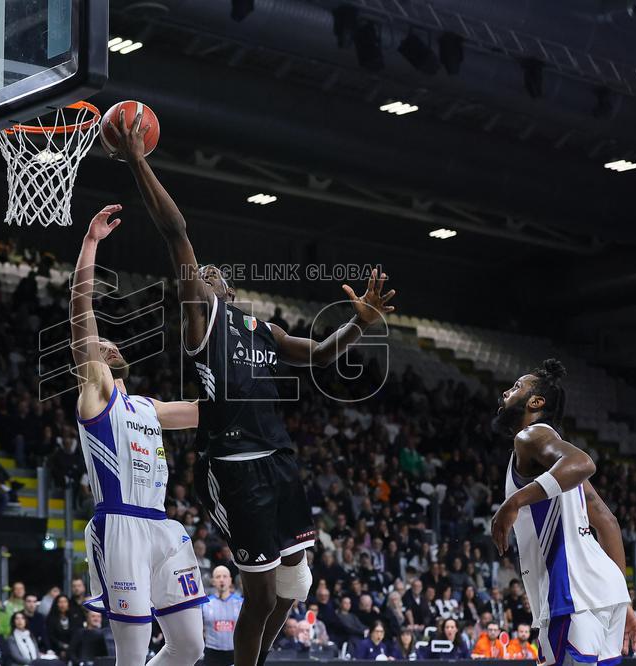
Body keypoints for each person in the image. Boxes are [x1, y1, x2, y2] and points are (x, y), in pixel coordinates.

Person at [108, 108, 395, 666]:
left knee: (295, 586)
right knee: (259, 592)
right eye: (201, 273)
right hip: (235, 461)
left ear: (231, 289)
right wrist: (139, 160)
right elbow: (176, 232)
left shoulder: (261, 329)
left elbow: (318, 355)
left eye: (215, 273)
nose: (205, 273)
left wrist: (358, 322)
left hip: (279, 459)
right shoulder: (200, 321)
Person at [70, 205, 208, 665]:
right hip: (120, 525)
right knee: (131, 655)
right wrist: (91, 243)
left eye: (111, 343)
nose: (106, 344)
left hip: (160, 526)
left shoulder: (148, 407)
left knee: (189, 646)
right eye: (98, 345)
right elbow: (81, 311)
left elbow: (209, 413)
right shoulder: (95, 396)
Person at [491, 360, 636, 666]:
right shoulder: (556, 466)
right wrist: (625, 602)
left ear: (536, 402)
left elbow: (584, 462)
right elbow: (608, 522)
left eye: (517, 387)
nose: (506, 391)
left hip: (571, 596)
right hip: (607, 593)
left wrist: (512, 502)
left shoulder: (529, 436)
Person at [202, 565, 244, 666]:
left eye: (225, 576)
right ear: (213, 581)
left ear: (230, 580)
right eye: (218, 577)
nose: (221, 580)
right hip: (212, 653)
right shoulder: (205, 604)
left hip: (235, 653)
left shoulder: (241, 603)